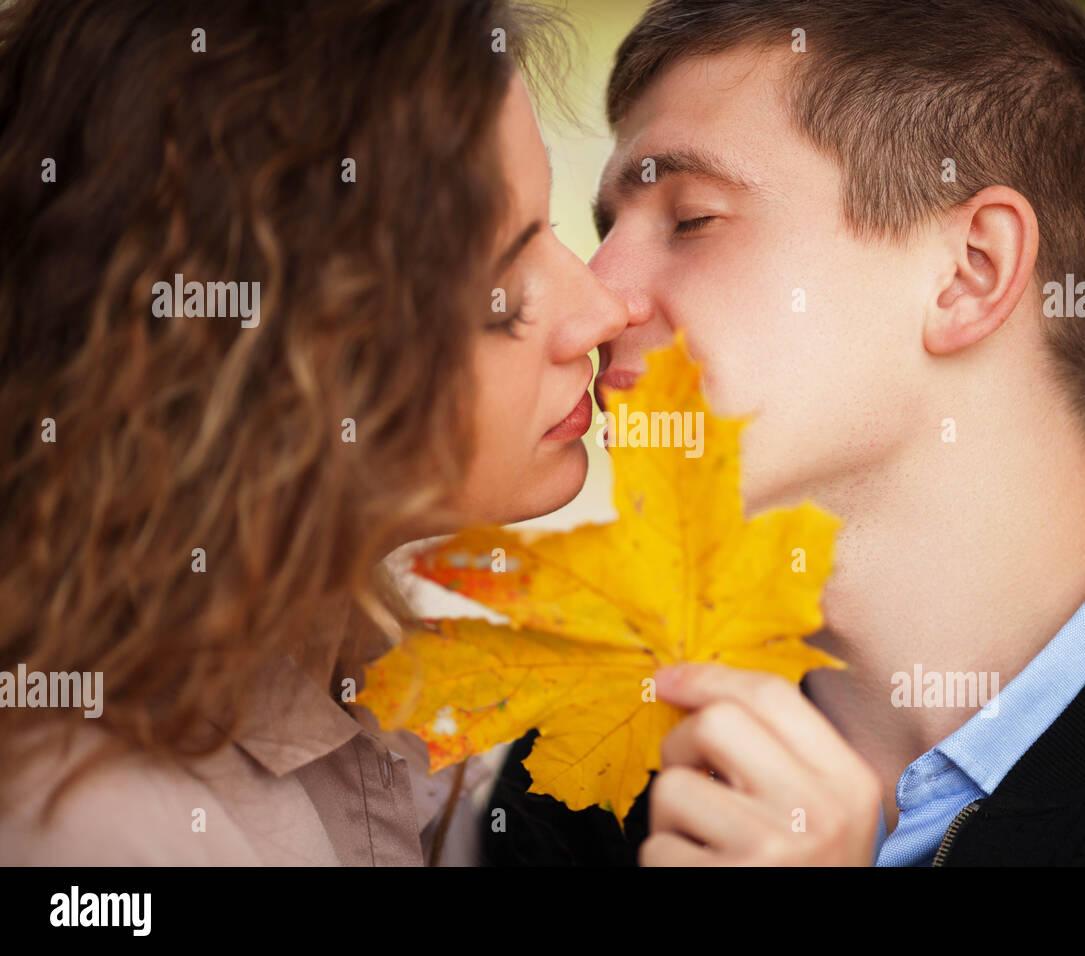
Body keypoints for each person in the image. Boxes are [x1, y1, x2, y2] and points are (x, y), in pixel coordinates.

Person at [482, 0, 1085, 865]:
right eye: (609, 228)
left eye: (692, 219)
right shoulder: (580, 781)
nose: (600, 298)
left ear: (970, 273)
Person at [0, 0, 628, 864]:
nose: (602, 311)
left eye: (550, 230)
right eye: (501, 282)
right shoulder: (101, 831)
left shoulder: (383, 683)